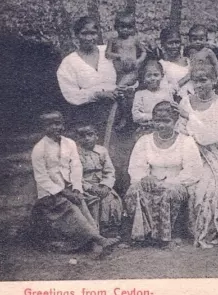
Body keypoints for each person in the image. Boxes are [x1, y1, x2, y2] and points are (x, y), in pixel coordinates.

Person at [30, 111, 119, 254]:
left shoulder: (69, 143)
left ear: (63, 124)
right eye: (50, 125)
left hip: (70, 188)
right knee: (70, 205)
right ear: (43, 128)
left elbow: (76, 167)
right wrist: (65, 192)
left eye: (58, 123)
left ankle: (96, 239)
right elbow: (42, 178)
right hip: (50, 193)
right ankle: (99, 239)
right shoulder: (39, 149)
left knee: (82, 200)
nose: (55, 127)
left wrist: (77, 189)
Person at [125, 101, 202, 249]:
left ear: (175, 121)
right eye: (157, 121)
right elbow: (136, 166)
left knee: (168, 194)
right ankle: (143, 235)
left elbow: (193, 171)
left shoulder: (186, 141)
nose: (161, 125)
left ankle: (165, 237)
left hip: (177, 183)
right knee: (134, 191)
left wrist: (170, 183)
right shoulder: (144, 141)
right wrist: (144, 177)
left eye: (166, 121)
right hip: (151, 181)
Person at [177, 66, 218, 248]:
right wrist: (193, 134)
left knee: (207, 190)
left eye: (204, 80)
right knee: (187, 184)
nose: (199, 85)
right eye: (196, 81)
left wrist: (190, 118)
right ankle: (187, 229)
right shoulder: (185, 101)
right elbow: (181, 130)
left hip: (215, 155)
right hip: (190, 154)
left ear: (214, 80)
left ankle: (208, 232)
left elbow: (215, 135)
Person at [56, 16, 123, 132]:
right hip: (88, 113)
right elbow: (71, 94)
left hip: (117, 106)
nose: (89, 38)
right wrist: (97, 94)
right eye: (84, 33)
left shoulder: (107, 52)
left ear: (98, 34)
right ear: (76, 35)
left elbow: (125, 68)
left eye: (93, 33)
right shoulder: (69, 62)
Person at [75, 124, 124, 237]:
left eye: (90, 135)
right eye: (82, 136)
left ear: (96, 136)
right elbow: (76, 176)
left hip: (102, 185)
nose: (87, 138)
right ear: (77, 138)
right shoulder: (76, 153)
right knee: (92, 201)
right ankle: (93, 233)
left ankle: (109, 229)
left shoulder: (102, 151)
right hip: (85, 187)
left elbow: (109, 171)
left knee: (112, 199)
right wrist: (90, 187)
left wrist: (106, 186)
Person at [132, 60, 178, 138]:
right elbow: (136, 116)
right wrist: (153, 117)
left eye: (156, 75)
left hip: (165, 127)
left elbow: (171, 112)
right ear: (144, 78)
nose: (152, 78)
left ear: (162, 76)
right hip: (147, 128)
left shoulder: (167, 92)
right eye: (149, 76)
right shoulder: (140, 94)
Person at [105, 9, 148, 88]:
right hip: (119, 71)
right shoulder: (113, 40)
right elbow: (107, 54)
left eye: (129, 27)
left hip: (132, 69)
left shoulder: (134, 40)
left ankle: (123, 88)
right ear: (116, 27)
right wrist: (119, 56)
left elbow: (144, 51)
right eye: (122, 27)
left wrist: (139, 61)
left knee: (122, 85)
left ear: (133, 28)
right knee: (120, 85)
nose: (125, 30)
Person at [157, 26, 193, 99]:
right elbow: (163, 91)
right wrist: (187, 78)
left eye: (177, 42)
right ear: (162, 45)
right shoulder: (162, 65)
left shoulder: (189, 61)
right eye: (170, 43)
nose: (174, 46)